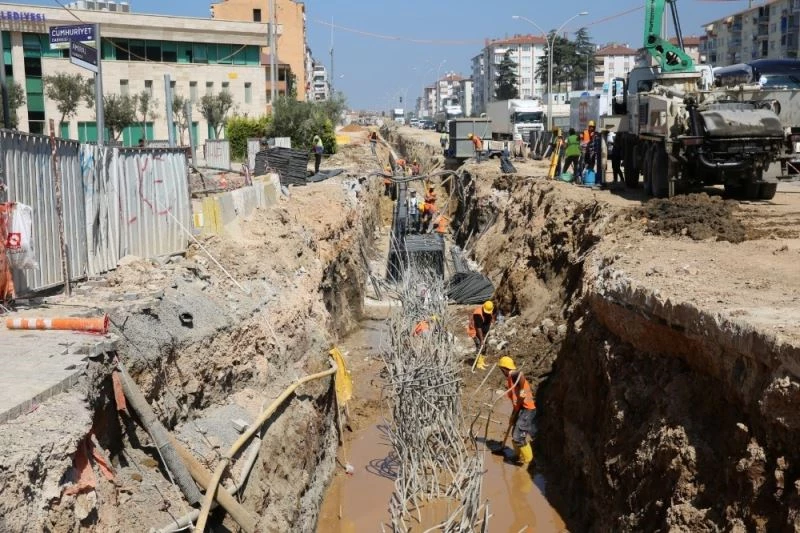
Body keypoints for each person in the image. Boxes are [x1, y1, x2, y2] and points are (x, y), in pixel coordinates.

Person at [498, 356, 536, 465]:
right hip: (520, 409)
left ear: (504, 369)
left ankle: (528, 462)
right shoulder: (510, 378)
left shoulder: (513, 374)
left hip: (527, 409)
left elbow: (520, 375)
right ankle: (518, 455)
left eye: (502, 370)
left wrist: (522, 395)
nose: (502, 372)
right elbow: (515, 399)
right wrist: (513, 414)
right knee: (515, 435)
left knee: (518, 437)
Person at [467, 300, 494, 369]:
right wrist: (482, 340)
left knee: (485, 345)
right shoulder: (477, 314)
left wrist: (486, 334)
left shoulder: (489, 310)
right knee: (479, 344)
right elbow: (478, 328)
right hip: (474, 331)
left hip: (483, 330)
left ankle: (482, 361)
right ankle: (478, 363)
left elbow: (489, 320)